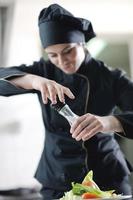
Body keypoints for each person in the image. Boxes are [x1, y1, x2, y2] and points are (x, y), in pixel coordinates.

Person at [0, 3, 133, 200]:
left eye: (68, 51)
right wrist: (34, 81)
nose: (62, 61)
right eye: (52, 55)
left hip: (107, 176)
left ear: (82, 43)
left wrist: (108, 122)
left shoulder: (111, 78)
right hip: (57, 178)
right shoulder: (44, 71)